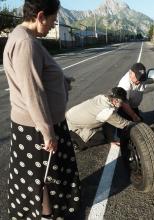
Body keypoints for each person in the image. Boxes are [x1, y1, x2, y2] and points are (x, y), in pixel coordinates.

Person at [3, 0, 80, 219]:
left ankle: (46, 213)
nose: (53, 26)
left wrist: (61, 81)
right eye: (53, 20)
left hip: (36, 124)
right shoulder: (26, 44)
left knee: (41, 177)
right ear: (40, 16)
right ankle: (45, 215)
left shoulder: (23, 37)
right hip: (37, 128)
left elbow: (38, 77)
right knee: (44, 178)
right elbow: (32, 93)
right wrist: (47, 132)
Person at [66, 87, 133, 150]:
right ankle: (76, 143)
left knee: (110, 122)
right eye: (122, 102)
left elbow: (109, 121)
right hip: (72, 127)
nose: (123, 104)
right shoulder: (107, 111)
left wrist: (111, 140)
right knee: (100, 138)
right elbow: (124, 124)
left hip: (72, 116)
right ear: (115, 101)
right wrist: (137, 124)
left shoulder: (103, 97)